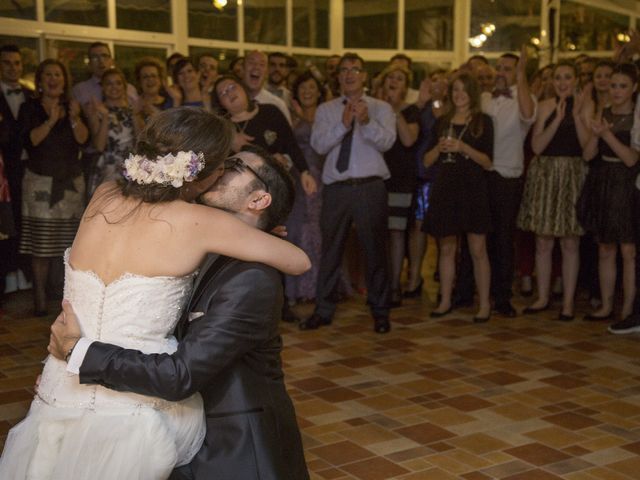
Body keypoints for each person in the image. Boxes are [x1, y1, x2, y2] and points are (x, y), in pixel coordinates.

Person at [0, 108, 311, 479]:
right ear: (196, 171)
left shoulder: (104, 194)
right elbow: (299, 261)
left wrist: (74, 350)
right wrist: (261, 237)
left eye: (235, 166)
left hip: (62, 388)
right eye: (223, 163)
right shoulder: (200, 225)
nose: (224, 169)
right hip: (136, 406)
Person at [301, 52, 396, 334]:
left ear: (364, 76)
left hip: (370, 186)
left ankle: (380, 311)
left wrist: (366, 122)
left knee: (375, 251)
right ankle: (324, 310)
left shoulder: (381, 108)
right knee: (331, 251)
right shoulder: (326, 110)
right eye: (344, 70)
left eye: (355, 69)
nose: (349, 74)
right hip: (338, 188)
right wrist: (343, 124)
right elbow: (318, 145)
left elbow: (388, 142)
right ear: (339, 76)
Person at [517, 61, 589, 320]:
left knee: (570, 242)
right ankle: (543, 297)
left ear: (576, 79)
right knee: (543, 240)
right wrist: (557, 120)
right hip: (545, 173)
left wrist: (577, 116)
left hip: (572, 173)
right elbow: (536, 146)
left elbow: (587, 148)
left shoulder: (586, 105)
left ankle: (568, 303)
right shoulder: (545, 106)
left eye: (567, 77)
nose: (562, 83)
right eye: (558, 78)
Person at [18, 59, 89, 316]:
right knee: (41, 244)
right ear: (39, 80)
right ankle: (39, 296)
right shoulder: (30, 107)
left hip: (70, 183)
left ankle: (66, 297)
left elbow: (84, 139)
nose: (53, 79)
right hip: (40, 183)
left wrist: (72, 118)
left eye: (57, 74)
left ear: (65, 79)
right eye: (47, 74)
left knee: (68, 242)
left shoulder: (73, 107)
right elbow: (31, 141)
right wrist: (50, 120)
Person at [423, 72, 494, 322]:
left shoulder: (483, 121)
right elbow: (427, 160)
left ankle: (484, 304)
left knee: (478, 248)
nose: (459, 94)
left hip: (473, 189)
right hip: (445, 188)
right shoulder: (442, 122)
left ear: (472, 93)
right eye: (455, 90)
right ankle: (444, 300)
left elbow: (487, 162)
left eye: (463, 90)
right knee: (447, 248)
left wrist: (463, 148)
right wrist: (438, 148)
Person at [579, 63, 638, 322]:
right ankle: (605, 304)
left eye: (622, 86)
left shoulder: (637, 116)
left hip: (626, 184)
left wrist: (608, 135)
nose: (616, 91)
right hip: (603, 181)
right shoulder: (603, 113)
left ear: (634, 88)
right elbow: (588, 154)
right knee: (605, 248)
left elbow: (631, 159)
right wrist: (595, 134)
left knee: (628, 251)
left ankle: (628, 308)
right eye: (613, 85)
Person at [481, 49, 536, 317]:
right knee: (478, 237)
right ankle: (472, 292)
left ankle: (502, 297)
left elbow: (528, 114)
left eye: (507, 69)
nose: (500, 72)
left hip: (507, 176)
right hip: (481, 174)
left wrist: (522, 76)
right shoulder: (483, 98)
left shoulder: (524, 98)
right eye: (499, 67)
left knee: (503, 240)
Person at [211, 74, 317, 196]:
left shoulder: (270, 111)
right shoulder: (223, 129)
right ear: (220, 103)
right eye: (223, 93)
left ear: (243, 88)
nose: (229, 93)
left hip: (278, 186)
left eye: (232, 87)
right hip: (243, 192)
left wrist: (304, 172)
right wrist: (269, 160)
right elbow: (226, 167)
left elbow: (291, 143)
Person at [378, 65, 420, 305]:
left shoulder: (411, 111)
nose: (394, 81)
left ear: (405, 87)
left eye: (399, 79)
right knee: (377, 233)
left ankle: (394, 285)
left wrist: (394, 110)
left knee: (396, 233)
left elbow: (408, 139)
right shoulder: (373, 108)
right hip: (377, 178)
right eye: (390, 77)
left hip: (401, 180)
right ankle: (379, 283)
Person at [285, 71, 326, 302]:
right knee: (298, 229)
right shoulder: (290, 117)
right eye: (302, 88)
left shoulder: (326, 114)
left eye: (311, 87)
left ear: (318, 91)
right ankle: (296, 289)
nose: (307, 92)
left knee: (316, 230)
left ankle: (315, 287)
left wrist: (305, 119)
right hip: (297, 176)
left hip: (319, 175)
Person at [0, 44, 32, 295]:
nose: (13, 67)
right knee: (6, 222)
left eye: (17, 63)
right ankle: (9, 273)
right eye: (7, 62)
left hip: (27, 168)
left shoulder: (31, 95)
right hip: (3, 169)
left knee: (25, 220)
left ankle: (24, 271)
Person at [86, 68, 141, 196]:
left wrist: (135, 115)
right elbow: (99, 146)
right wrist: (105, 117)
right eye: (109, 83)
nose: (114, 87)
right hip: (107, 167)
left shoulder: (133, 110)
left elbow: (141, 141)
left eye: (118, 83)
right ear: (103, 87)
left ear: (124, 86)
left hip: (130, 166)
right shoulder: (97, 110)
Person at [71, 42, 138, 110]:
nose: (101, 61)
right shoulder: (79, 90)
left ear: (111, 61)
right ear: (89, 63)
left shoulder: (129, 89)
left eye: (104, 56)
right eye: (95, 58)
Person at [242, 51, 291, 123]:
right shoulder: (229, 100)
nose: (256, 67)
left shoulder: (278, 105)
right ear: (243, 68)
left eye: (262, 64)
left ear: (266, 72)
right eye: (251, 63)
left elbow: (287, 134)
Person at [134, 57, 174, 123]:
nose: (150, 79)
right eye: (145, 77)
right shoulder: (135, 105)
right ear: (139, 81)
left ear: (160, 80)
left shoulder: (171, 103)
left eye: (153, 76)